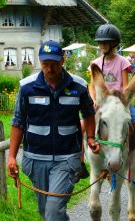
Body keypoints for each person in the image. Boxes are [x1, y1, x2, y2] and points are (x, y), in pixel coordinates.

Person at [7, 40, 100, 221]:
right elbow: (18, 121)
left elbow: (89, 113)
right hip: (35, 159)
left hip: (67, 160)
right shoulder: (26, 87)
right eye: (45, 64)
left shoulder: (78, 86)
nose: (49, 69)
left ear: (63, 61)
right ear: (40, 62)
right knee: (46, 211)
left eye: (54, 64)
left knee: (53, 210)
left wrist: (90, 137)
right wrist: (11, 157)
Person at [89, 23, 135, 184]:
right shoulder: (95, 63)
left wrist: (123, 100)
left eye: (105, 42)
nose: (102, 45)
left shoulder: (123, 62)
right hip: (102, 103)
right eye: (100, 42)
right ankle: (78, 162)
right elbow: (91, 86)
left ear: (114, 44)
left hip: (120, 103)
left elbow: (126, 86)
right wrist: (94, 100)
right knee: (83, 124)